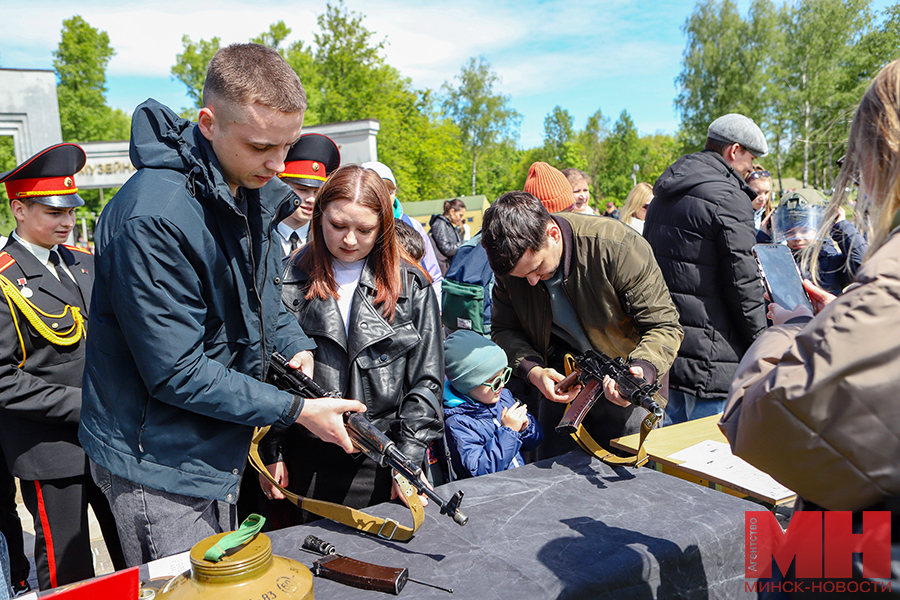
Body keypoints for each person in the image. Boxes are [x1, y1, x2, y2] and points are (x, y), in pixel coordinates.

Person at [78, 43, 364, 567]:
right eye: (260, 147)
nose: (278, 165)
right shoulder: (154, 217)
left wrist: (292, 343)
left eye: (286, 146)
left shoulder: (239, 185)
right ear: (208, 123)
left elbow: (257, 299)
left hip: (210, 443)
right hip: (158, 460)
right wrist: (298, 410)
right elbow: (176, 372)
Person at [720, 59, 900, 594]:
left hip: (861, 554)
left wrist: (793, 324)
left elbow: (756, 418)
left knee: (770, 563)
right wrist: (847, 317)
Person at [262, 165, 443, 523]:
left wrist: (408, 455)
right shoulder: (286, 277)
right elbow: (270, 371)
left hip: (383, 459)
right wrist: (272, 447)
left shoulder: (412, 284)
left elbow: (427, 379)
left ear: (384, 226)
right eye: (338, 226)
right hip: (305, 460)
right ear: (319, 216)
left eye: (364, 229)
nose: (349, 240)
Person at [0, 144, 126, 589]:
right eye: (54, 211)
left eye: (71, 209)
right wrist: (86, 404)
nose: (68, 221)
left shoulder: (86, 264)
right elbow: (2, 380)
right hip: (51, 452)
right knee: (69, 572)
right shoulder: (3, 280)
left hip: (112, 442)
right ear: (18, 208)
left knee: (129, 555)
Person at [482, 190, 683, 459]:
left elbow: (664, 326)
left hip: (627, 383)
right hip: (561, 389)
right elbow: (504, 330)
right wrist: (533, 371)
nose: (531, 281)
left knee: (633, 484)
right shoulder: (511, 269)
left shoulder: (617, 246)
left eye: (537, 268)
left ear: (553, 234)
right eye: (523, 276)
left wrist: (641, 370)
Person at [643, 113, 768, 425]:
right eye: (750, 157)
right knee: (710, 464)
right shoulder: (729, 196)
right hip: (714, 359)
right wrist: (762, 343)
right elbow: (744, 283)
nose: (751, 168)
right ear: (734, 150)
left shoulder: (665, 192)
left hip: (668, 354)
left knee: (667, 466)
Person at [442, 330, 543, 478]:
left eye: (504, 375)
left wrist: (526, 429)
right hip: (494, 496)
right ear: (467, 385)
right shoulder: (458, 422)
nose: (502, 385)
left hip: (521, 484)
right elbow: (479, 471)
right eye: (494, 381)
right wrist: (509, 431)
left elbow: (536, 439)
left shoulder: (503, 397)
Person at [360, 161, 443, 300]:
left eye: (390, 192)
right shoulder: (356, 229)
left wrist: (435, 309)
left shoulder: (412, 225)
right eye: (379, 192)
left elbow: (433, 274)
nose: (386, 198)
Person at [772, 188, 867, 296]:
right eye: (790, 232)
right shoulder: (780, 262)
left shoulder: (831, 262)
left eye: (805, 230)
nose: (797, 237)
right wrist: (762, 238)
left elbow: (863, 263)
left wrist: (841, 227)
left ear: (821, 228)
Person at [274, 133, 341, 256]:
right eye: (302, 189)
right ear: (280, 186)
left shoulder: (330, 239)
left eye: (317, 191)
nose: (311, 199)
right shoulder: (258, 235)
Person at [429, 198, 466, 276]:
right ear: (452, 211)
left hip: (447, 266)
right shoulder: (440, 224)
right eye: (460, 215)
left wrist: (459, 229)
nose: (461, 218)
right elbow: (447, 249)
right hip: (443, 268)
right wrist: (465, 244)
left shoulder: (447, 224)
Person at [745, 165, 774, 236]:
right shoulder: (736, 216)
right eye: (757, 193)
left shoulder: (772, 216)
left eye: (766, 192)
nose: (763, 198)